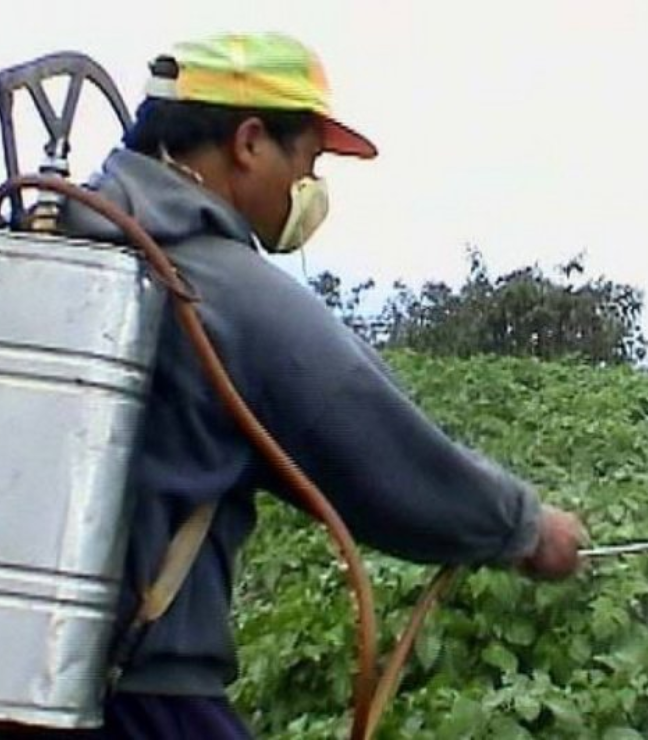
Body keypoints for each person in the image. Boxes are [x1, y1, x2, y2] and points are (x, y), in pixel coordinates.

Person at [16, 32, 587, 739]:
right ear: (249, 142)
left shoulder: (63, 249)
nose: (311, 188)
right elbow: (382, 453)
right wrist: (526, 529)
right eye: (309, 160)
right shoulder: (224, 289)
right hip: (136, 698)